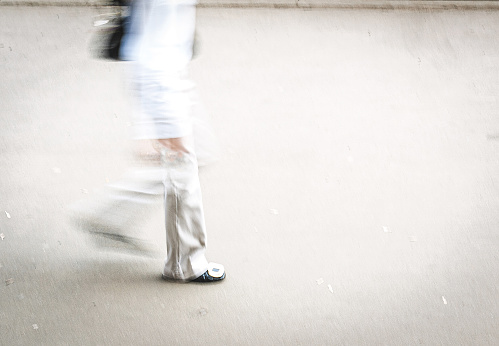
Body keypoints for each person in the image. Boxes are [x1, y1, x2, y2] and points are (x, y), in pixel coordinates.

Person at [71, 0, 225, 283]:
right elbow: (145, 40)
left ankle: (107, 213)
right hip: (161, 82)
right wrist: (146, 126)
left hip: (169, 74)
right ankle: (185, 265)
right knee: (183, 170)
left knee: (199, 153)